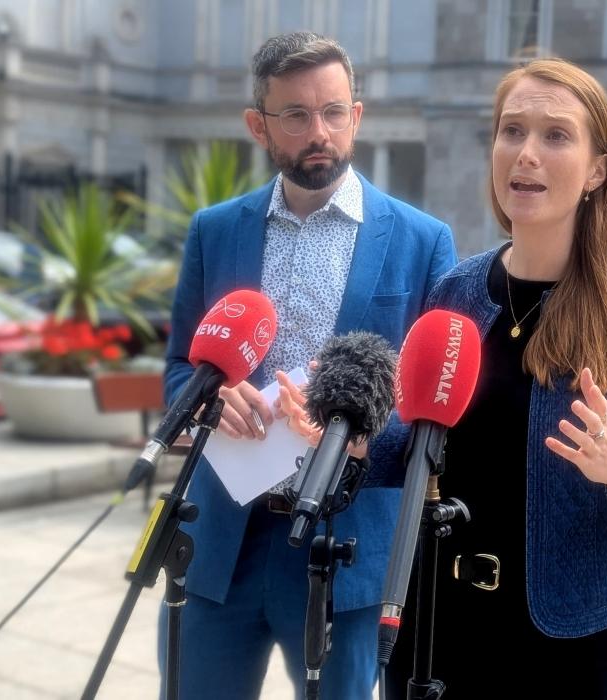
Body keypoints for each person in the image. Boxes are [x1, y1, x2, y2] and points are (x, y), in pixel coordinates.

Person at [276, 57, 607, 699]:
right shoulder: (457, 290)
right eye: (512, 130)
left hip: (583, 633)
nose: (526, 153)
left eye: (555, 135)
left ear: (598, 170)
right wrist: (358, 442)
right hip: (443, 621)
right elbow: (427, 442)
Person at [160, 32, 457, 699]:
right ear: (258, 125)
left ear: (357, 116)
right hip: (221, 539)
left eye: (332, 111)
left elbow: (434, 406)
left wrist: (361, 434)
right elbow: (180, 366)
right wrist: (207, 399)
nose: (318, 131)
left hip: (345, 543)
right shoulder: (214, 230)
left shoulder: (423, 241)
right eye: (295, 114)